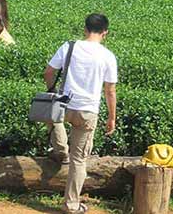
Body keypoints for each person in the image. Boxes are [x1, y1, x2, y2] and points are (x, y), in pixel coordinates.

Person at [43, 13, 117, 214]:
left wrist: (52, 91)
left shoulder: (69, 46)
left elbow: (49, 72)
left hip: (64, 106)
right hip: (88, 111)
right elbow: (110, 90)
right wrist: (111, 118)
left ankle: (60, 149)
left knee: (50, 115)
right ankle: (71, 204)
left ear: (85, 29)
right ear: (105, 33)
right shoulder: (108, 56)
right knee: (79, 160)